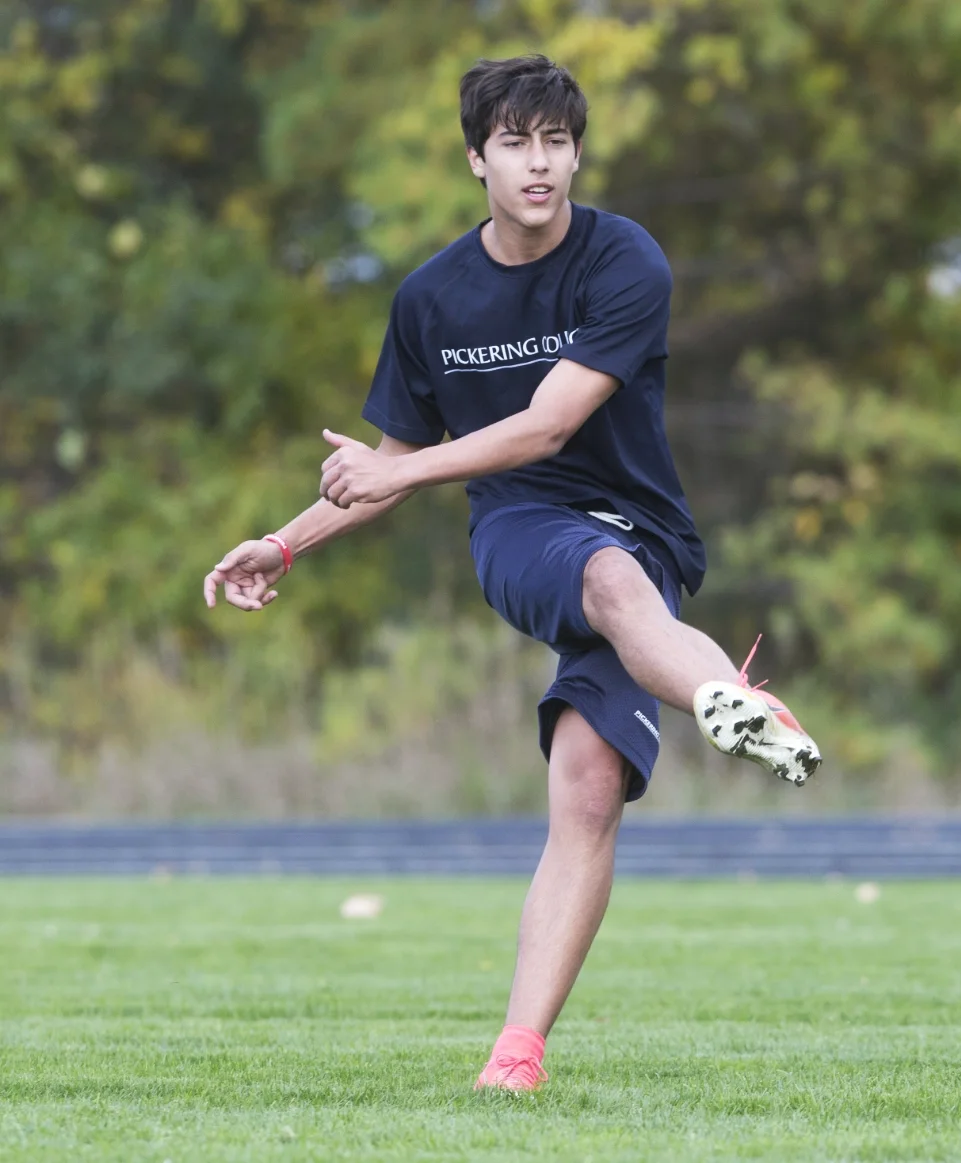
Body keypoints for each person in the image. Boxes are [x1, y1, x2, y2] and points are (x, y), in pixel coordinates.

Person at [202, 54, 820, 1092]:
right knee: (607, 581)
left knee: (587, 787)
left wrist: (400, 468)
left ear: (577, 150)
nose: (541, 164)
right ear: (475, 159)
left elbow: (546, 424)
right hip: (524, 531)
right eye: (516, 143)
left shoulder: (625, 260)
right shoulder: (430, 299)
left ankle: (516, 1055)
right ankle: (734, 696)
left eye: (557, 141)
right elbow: (391, 473)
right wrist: (285, 541)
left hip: (648, 527)